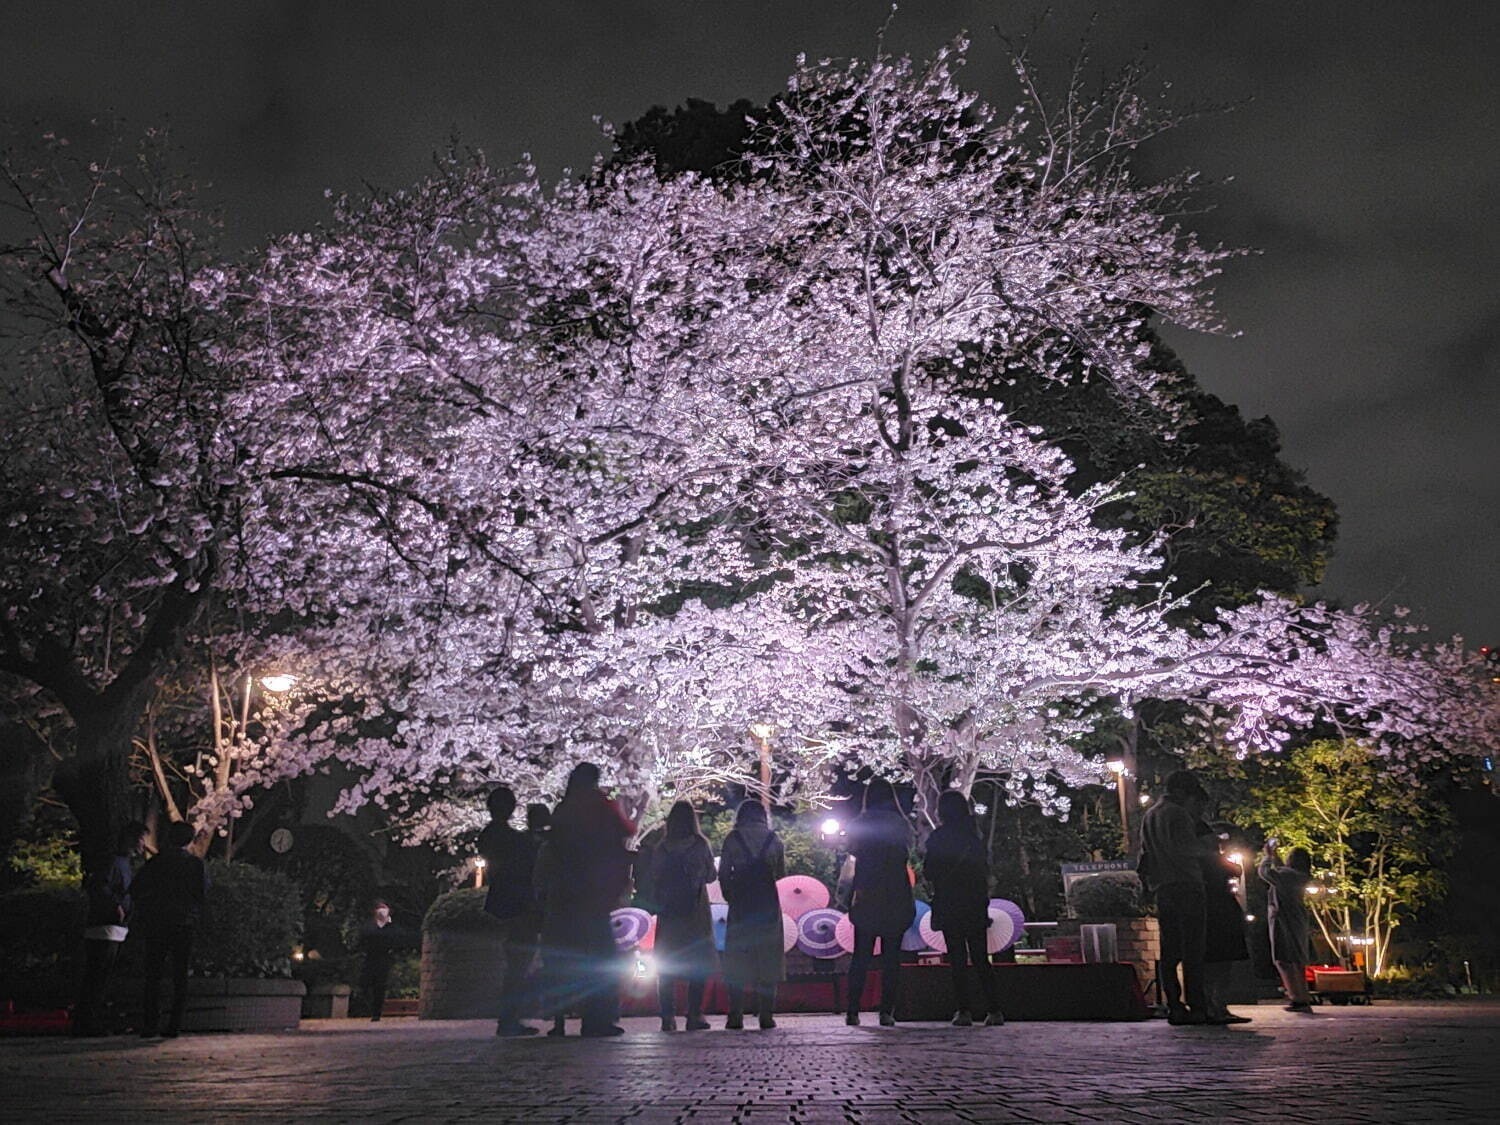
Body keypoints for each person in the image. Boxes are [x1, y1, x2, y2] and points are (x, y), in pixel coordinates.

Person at [539, 763, 634, 1037]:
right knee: (600, 958)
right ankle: (597, 1018)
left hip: (563, 895)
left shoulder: (563, 810)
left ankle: (558, 1019)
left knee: (563, 960)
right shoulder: (600, 805)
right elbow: (625, 829)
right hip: (593, 894)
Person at [1138, 770, 1215, 1026]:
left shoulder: (1149, 815)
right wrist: (1209, 848)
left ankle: (1174, 1004)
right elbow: (1186, 849)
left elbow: (1145, 855)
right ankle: (1197, 1005)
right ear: (1182, 791)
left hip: (1163, 887)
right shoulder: (1177, 814)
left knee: (1169, 949)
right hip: (1187, 883)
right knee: (1193, 948)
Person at [923, 791, 1003, 1027]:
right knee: (980, 957)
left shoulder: (939, 838)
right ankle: (994, 1009)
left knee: (957, 959)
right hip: (974, 903)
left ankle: (964, 1010)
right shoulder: (974, 837)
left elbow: (929, 871)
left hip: (949, 902)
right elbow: (983, 871)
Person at [844, 778, 914, 1027]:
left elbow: (851, 851)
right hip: (895, 891)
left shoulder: (859, 824)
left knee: (861, 954)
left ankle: (853, 1010)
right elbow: (909, 849)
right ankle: (887, 1011)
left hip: (868, 892)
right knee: (891, 956)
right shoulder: (901, 823)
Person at [130, 820, 209, 1039]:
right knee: (180, 975)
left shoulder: (156, 863)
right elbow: (201, 894)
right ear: (189, 840)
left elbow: (136, 889)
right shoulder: (195, 865)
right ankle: (174, 1025)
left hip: (157, 922)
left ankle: (150, 1024)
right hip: (183, 923)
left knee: (153, 974)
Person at [477, 785, 542, 1037]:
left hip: (503, 901)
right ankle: (509, 1019)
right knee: (519, 961)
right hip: (518, 902)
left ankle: (509, 1017)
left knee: (516, 961)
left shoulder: (488, 836)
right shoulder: (513, 839)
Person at [72, 820, 148, 1036]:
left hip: (112, 926)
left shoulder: (120, 862)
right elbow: (98, 886)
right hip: (106, 926)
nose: (143, 843)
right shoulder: (115, 862)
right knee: (98, 975)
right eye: (141, 838)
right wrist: (115, 906)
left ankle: (87, 1022)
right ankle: (87, 1023)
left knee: (99, 976)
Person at [649, 800, 717, 1031]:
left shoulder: (663, 847)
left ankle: (668, 1017)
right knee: (697, 964)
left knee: (667, 964)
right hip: (696, 911)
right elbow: (711, 876)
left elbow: (654, 877)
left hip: (669, 912)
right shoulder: (700, 845)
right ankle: (694, 1014)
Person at [718, 799, 786, 1030]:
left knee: (737, 956)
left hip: (741, 903)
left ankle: (735, 1014)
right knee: (768, 957)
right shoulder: (773, 839)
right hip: (767, 903)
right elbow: (780, 873)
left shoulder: (732, 838)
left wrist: (730, 895)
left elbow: (724, 872)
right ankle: (766, 1014)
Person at [1198, 823, 1251, 1025]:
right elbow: (1236, 869)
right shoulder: (1212, 859)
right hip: (1221, 912)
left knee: (1210, 962)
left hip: (1208, 911)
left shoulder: (1197, 861)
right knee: (1221, 962)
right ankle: (1217, 1006)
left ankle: (1211, 1005)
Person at [1258, 839, 1315, 1012]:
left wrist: (1267, 857)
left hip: (1283, 918)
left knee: (1283, 958)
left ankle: (1295, 996)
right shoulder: (1299, 876)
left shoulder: (1287, 876)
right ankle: (1302, 995)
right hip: (1297, 917)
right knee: (1297, 959)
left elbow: (1266, 873)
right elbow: (1281, 871)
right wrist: (1275, 857)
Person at [358, 900, 404, 1021]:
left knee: (380, 986)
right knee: (364, 985)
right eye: (379, 908)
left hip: (384, 960)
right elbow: (362, 939)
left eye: (384, 908)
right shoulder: (369, 926)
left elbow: (398, 941)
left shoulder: (392, 927)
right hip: (370, 958)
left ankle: (376, 1013)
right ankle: (369, 1008)